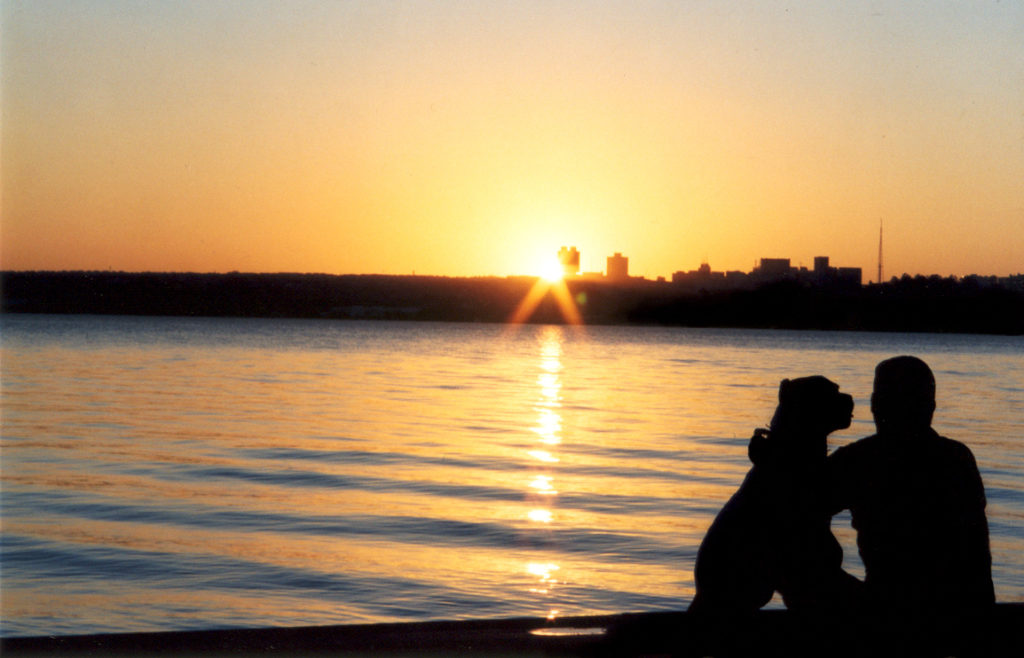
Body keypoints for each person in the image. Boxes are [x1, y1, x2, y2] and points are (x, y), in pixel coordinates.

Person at [828, 356, 994, 649]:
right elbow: (979, 561)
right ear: (930, 407)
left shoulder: (860, 461)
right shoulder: (957, 458)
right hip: (954, 615)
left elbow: (792, 509)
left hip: (888, 615)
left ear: (875, 405)